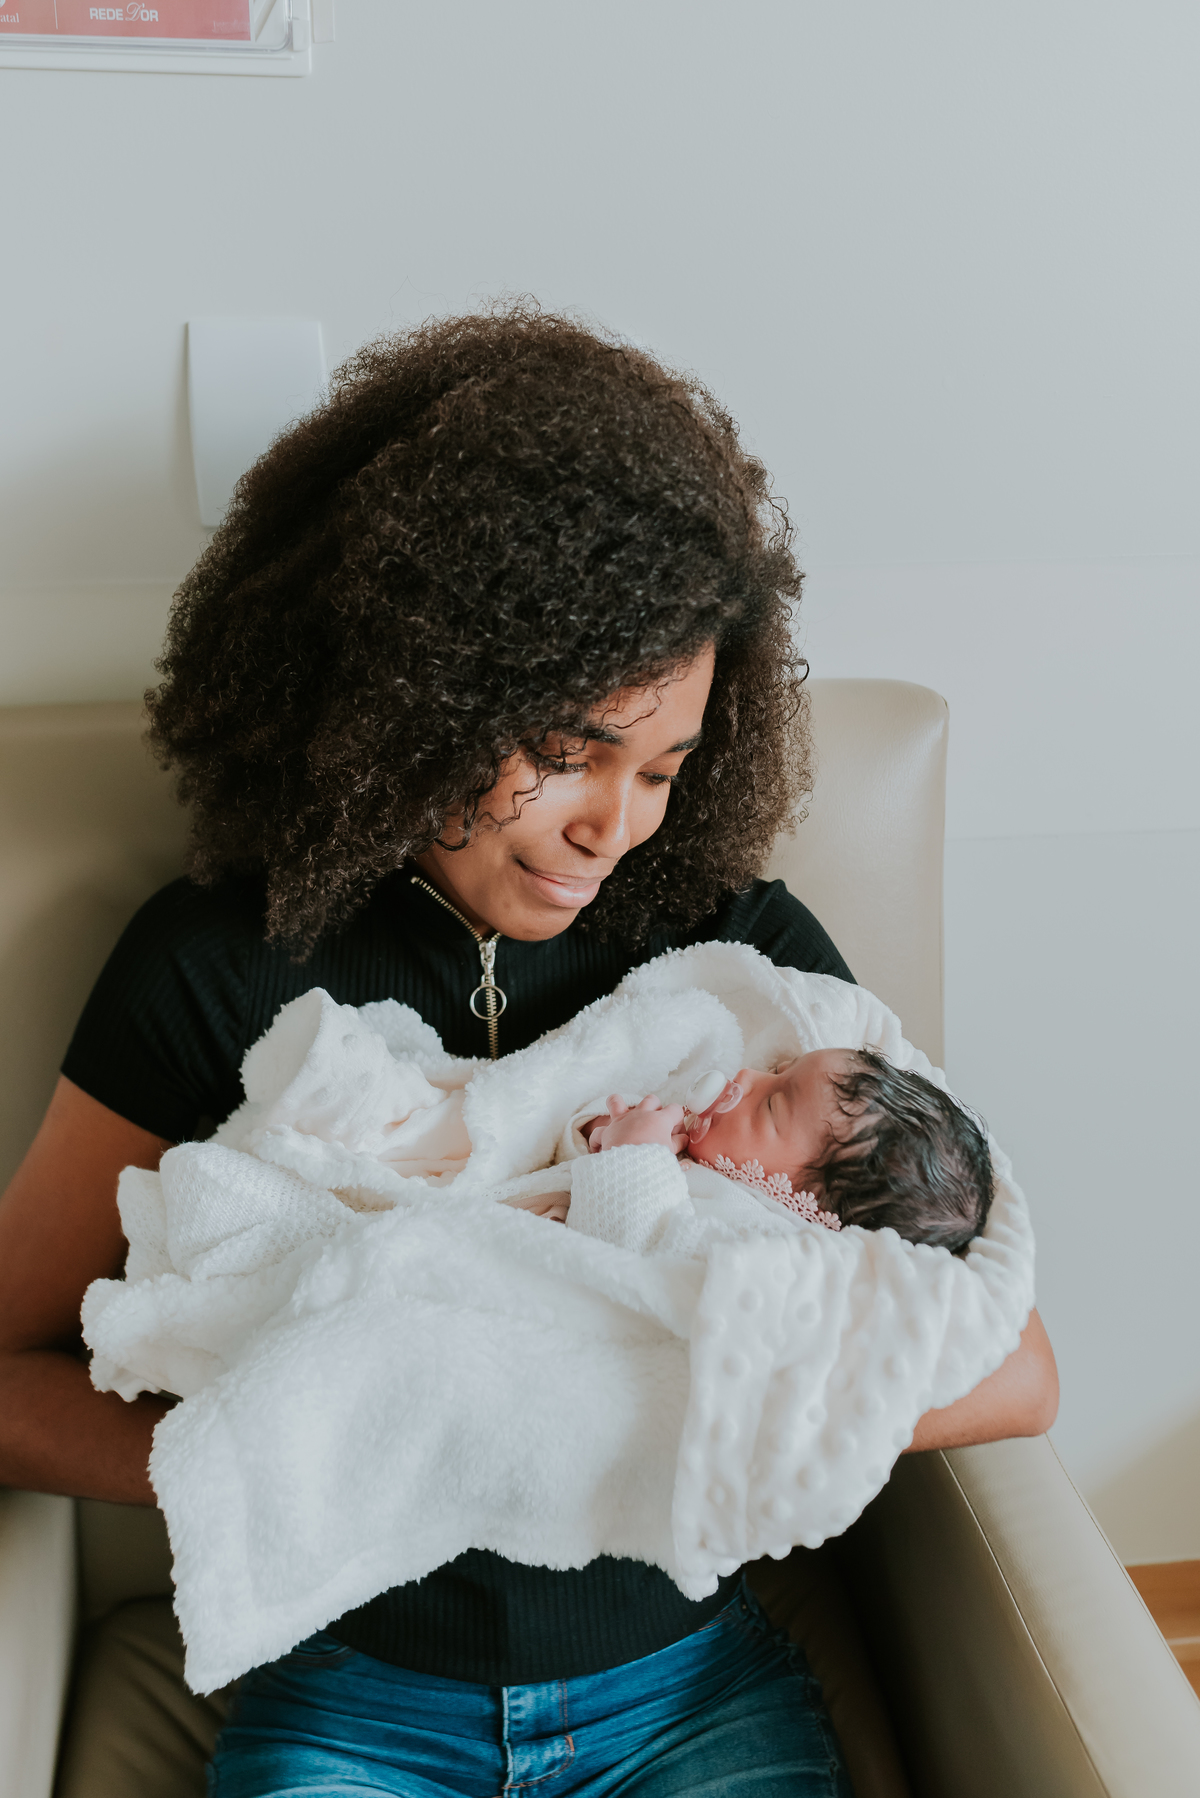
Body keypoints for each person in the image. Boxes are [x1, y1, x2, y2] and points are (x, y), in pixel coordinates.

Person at [0, 304, 1057, 1797]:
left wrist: (630, 1410)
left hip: (688, 1688)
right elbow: (8, 1369)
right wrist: (331, 1432)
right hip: (352, 1697)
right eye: (566, 749)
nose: (611, 830)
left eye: (665, 769)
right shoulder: (212, 965)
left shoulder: (745, 964)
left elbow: (1011, 1365)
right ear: (411, 691)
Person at [580, 1044, 994, 1250]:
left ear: (804, 1205)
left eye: (771, 1103)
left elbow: (644, 1261)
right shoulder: (697, 1140)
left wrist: (632, 1160)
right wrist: (603, 1128)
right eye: (778, 1071)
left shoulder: (756, 1238)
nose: (747, 1074)